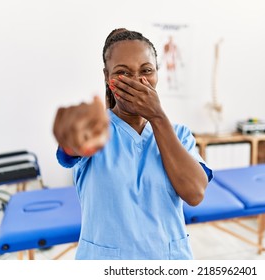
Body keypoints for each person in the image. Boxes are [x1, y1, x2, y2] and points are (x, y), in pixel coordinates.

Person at [53, 28, 213, 260]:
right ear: (108, 77)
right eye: (123, 73)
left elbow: (195, 194)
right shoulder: (96, 129)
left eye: (146, 70)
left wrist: (158, 117)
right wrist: (70, 140)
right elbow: (69, 152)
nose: (137, 81)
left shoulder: (179, 134)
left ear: (157, 73)